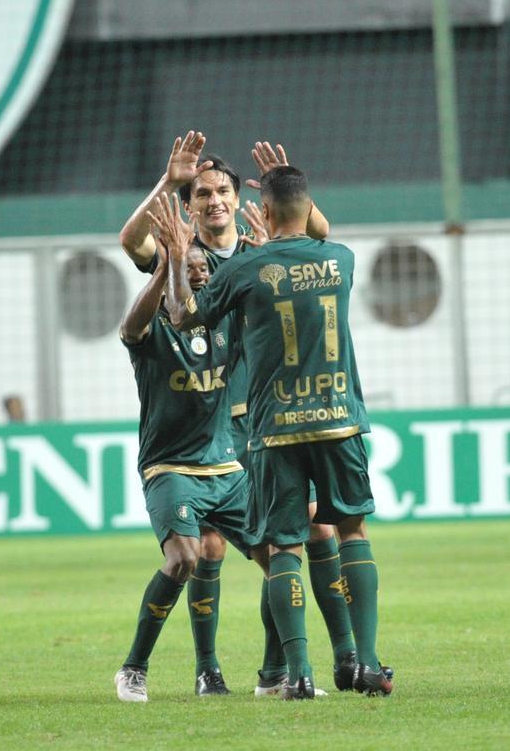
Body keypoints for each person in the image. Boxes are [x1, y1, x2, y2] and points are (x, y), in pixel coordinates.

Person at [119, 133, 359, 698]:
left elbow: (318, 234)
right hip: (195, 441)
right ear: (189, 209)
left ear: (237, 197)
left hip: (254, 429)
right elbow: (134, 247)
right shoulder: (179, 256)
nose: (213, 201)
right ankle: (207, 669)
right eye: (201, 193)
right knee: (205, 553)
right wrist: (169, 191)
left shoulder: (256, 257)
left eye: (222, 190)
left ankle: (291, 671)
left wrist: (289, 189)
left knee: (298, 541)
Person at [113, 240, 255, 703]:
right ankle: (133, 668)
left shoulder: (223, 324)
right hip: (170, 469)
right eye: (186, 268)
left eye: (201, 268)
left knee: (284, 555)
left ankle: (283, 672)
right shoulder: (151, 329)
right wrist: (165, 266)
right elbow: (128, 326)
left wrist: (261, 254)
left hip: (225, 466)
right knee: (184, 559)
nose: (197, 274)